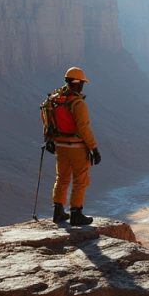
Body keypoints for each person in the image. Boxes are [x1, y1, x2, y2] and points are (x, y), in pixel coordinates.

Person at [42, 66, 101, 226]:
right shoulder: (78, 103)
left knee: (62, 178)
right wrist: (93, 148)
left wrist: (49, 139)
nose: (82, 85)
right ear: (78, 83)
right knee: (80, 180)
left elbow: (47, 120)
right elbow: (83, 128)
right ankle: (76, 214)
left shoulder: (54, 100)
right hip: (76, 148)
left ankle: (58, 211)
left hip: (60, 146)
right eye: (82, 82)